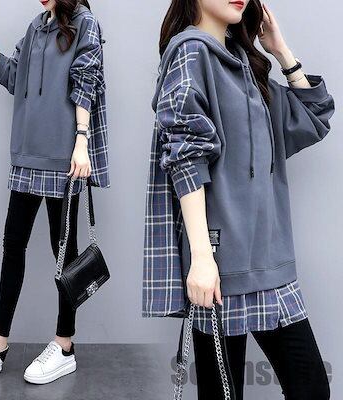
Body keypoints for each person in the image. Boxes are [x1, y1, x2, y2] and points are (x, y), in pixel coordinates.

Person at [142, 1, 335, 398]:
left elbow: (313, 119)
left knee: (311, 386)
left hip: (269, 259)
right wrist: (201, 258)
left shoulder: (246, 63)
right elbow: (185, 159)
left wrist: (280, 51)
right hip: (220, 262)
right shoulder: (190, 53)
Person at [0, 0, 109, 385]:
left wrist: (82, 141)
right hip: (27, 154)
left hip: (63, 156)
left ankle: (64, 346)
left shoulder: (85, 23)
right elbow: (16, 78)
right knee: (13, 244)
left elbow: (87, 82)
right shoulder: (37, 26)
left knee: (64, 254)